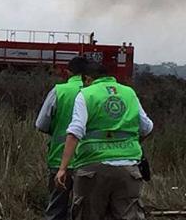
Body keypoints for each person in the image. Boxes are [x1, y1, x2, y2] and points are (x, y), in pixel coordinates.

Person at [55, 61, 153, 220]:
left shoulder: (86, 94)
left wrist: (62, 168)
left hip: (92, 168)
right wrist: (130, 145)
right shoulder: (129, 93)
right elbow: (147, 127)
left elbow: (75, 132)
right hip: (128, 169)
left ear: (87, 79)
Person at [35, 56, 89, 220]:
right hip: (89, 160)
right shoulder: (93, 93)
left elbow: (41, 124)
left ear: (68, 71)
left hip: (59, 159)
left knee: (56, 209)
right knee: (86, 211)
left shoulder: (59, 91)